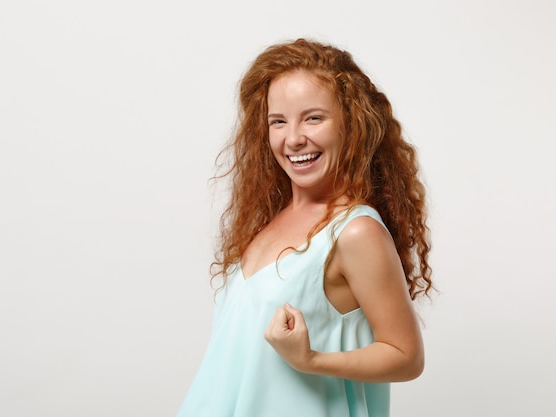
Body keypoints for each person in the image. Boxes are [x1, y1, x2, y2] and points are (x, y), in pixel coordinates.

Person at [177, 38, 433, 417]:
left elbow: (405, 356)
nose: (293, 138)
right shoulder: (268, 221)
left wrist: (311, 359)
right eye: (278, 121)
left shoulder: (355, 231)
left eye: (313, 118)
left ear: (353, 122)